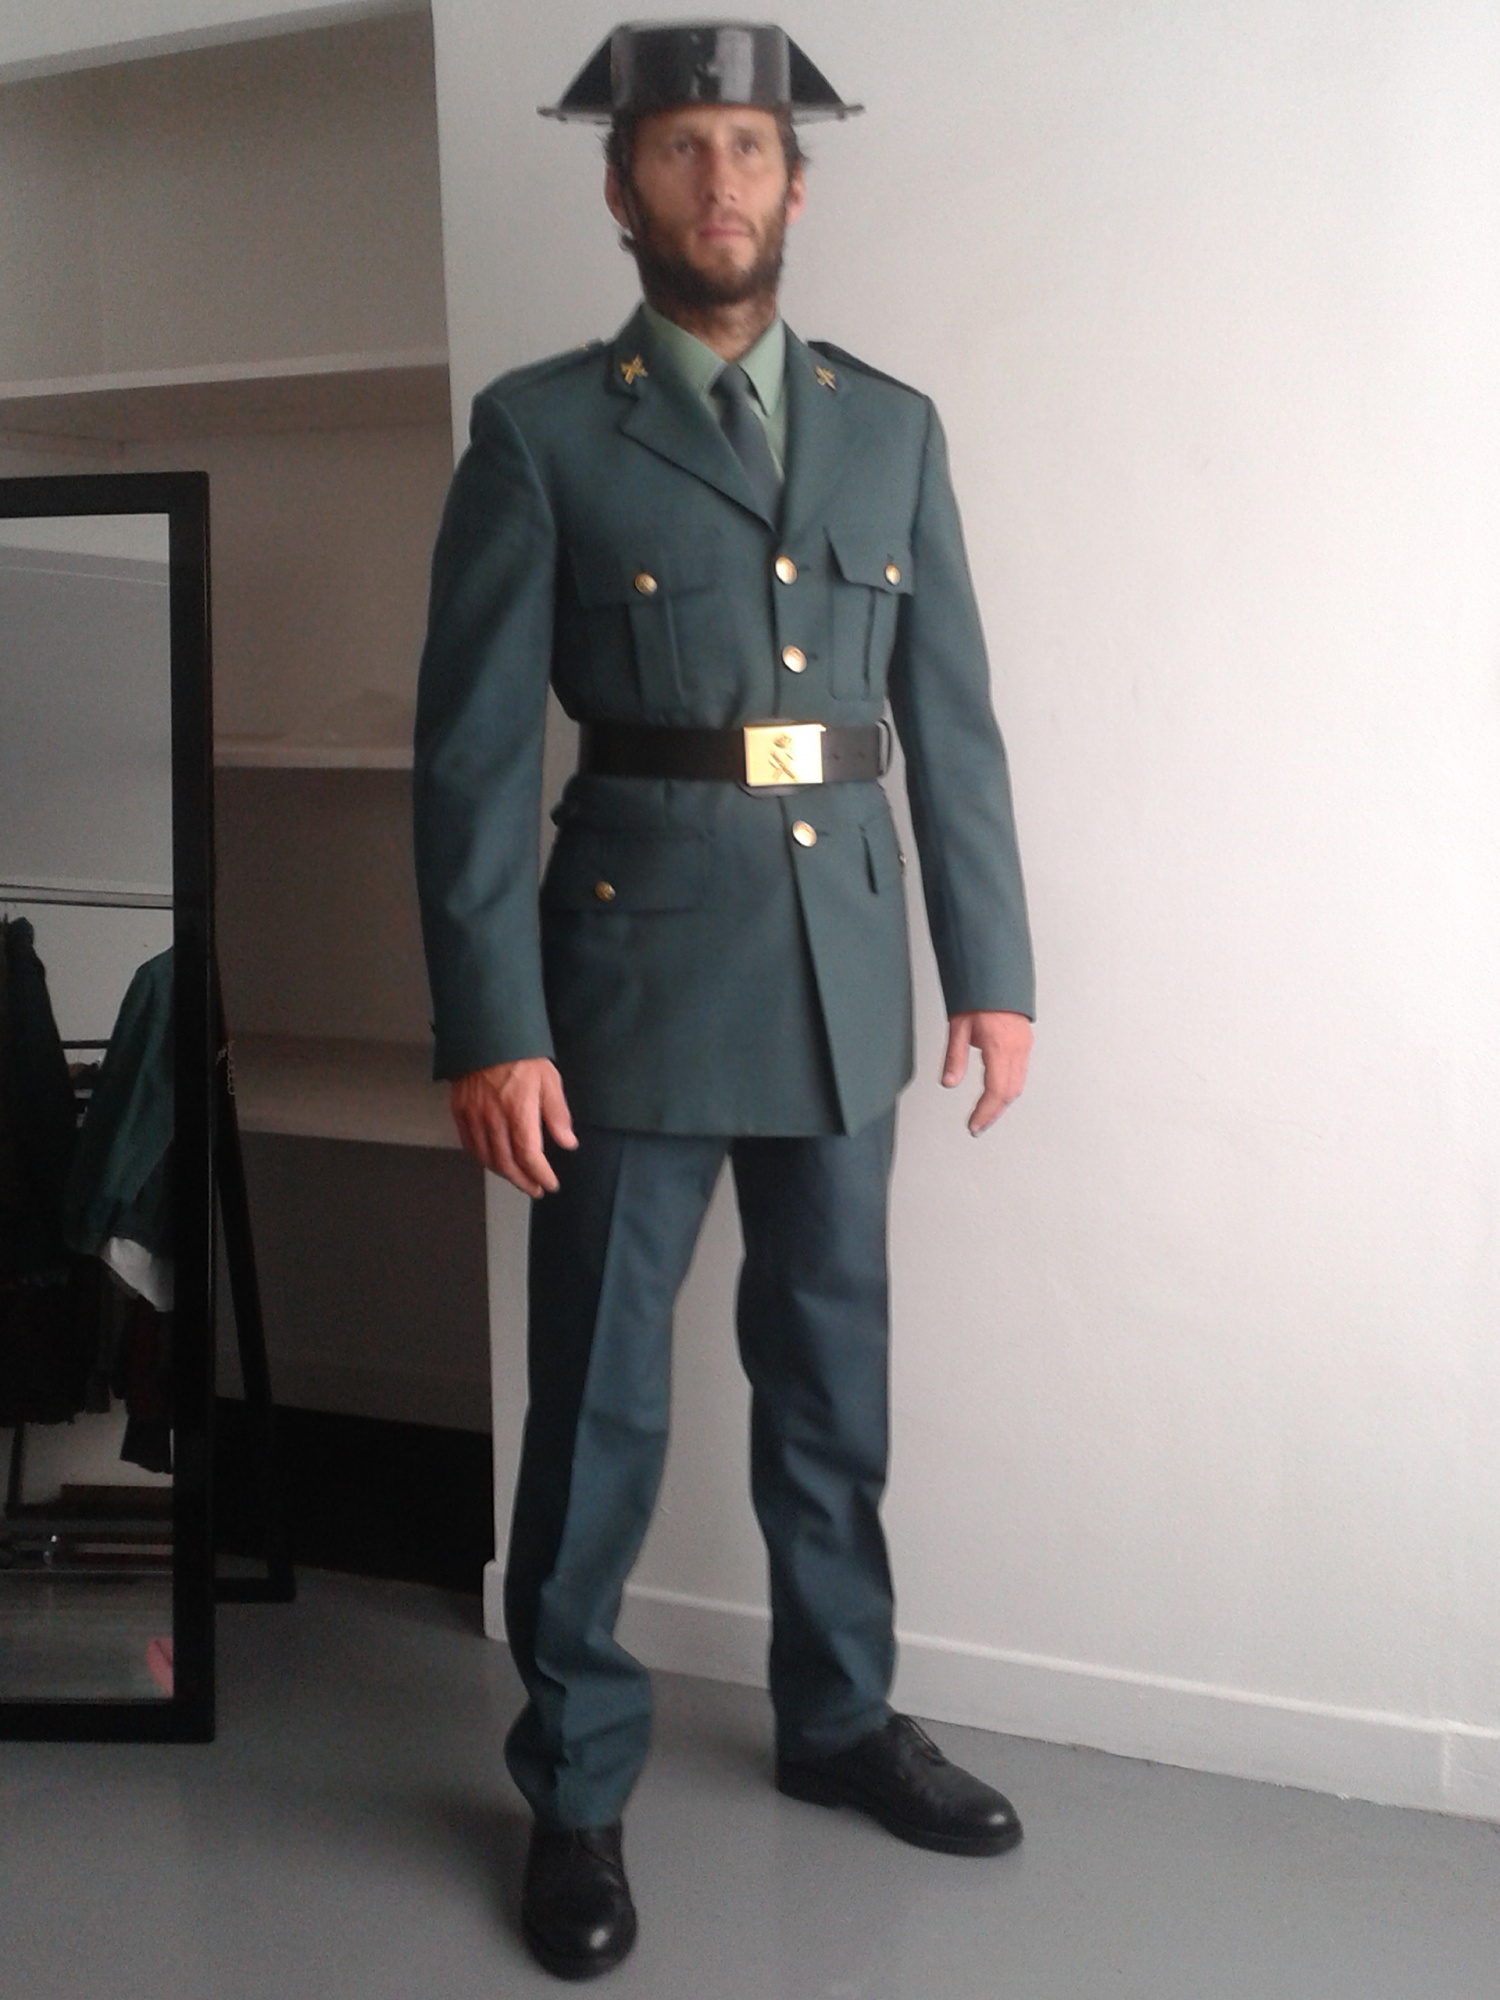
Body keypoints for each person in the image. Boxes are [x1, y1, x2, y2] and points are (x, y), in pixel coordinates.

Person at [413, 21, 1036, 1982]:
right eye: (679, 149)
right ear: (621, 188)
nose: (718, 183)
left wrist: (994, 973)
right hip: (624, 983)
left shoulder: (889, 429)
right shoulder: (541, 432)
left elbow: (952, 726)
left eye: (748, 149)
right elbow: (469, 760)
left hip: (845, 970)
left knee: (833, 1383)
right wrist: (489, 1020)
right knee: (598, 1402)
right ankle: (576, 1783)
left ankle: (838, 1718)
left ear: (794, 182)